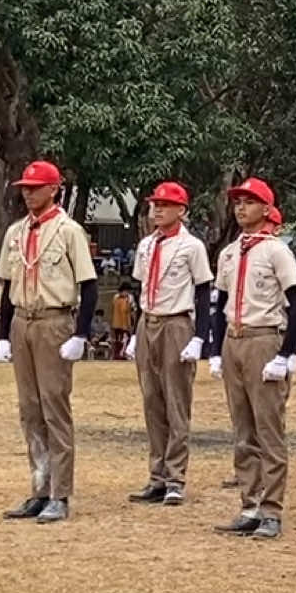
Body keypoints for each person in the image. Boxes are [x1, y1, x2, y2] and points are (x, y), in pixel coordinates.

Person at [0, 160, 98, 525]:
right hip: (23, 320)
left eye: (35, 187)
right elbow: (7, 285)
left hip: (55, 320)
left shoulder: (69, 232)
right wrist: (2, 334)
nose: (28, 193)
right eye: (24, 187)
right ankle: (39, 487)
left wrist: (81, 334)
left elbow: (89, 285)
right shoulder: (16, 232)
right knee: (29, 408)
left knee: (55, 407)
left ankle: (60, 493)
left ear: (54, 189)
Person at [207, 177, 296, 538]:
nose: (240, 207)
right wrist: (216, 350)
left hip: (264, 338)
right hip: (235, 339)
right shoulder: (230, 253)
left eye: (249, 201)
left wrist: (286, 353)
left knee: (268, 428)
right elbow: (218, 304)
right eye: (237, 202)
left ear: (267, 208)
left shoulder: (276, 251)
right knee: (243, 428)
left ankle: (271, 509)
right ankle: (249, 503)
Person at [126, 181, 212, 508]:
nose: (157, 209)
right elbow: (142, 286)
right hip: (149, 320)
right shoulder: (147, 245)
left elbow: (203, 291)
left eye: (165, 204)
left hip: (177, 321)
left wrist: (199, 337)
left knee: (176, 401)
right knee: (152, 400)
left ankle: (176, 477)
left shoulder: (192, 247)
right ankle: (157, 474)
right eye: (154, 204)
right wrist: (137, 332)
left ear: (182, 210)